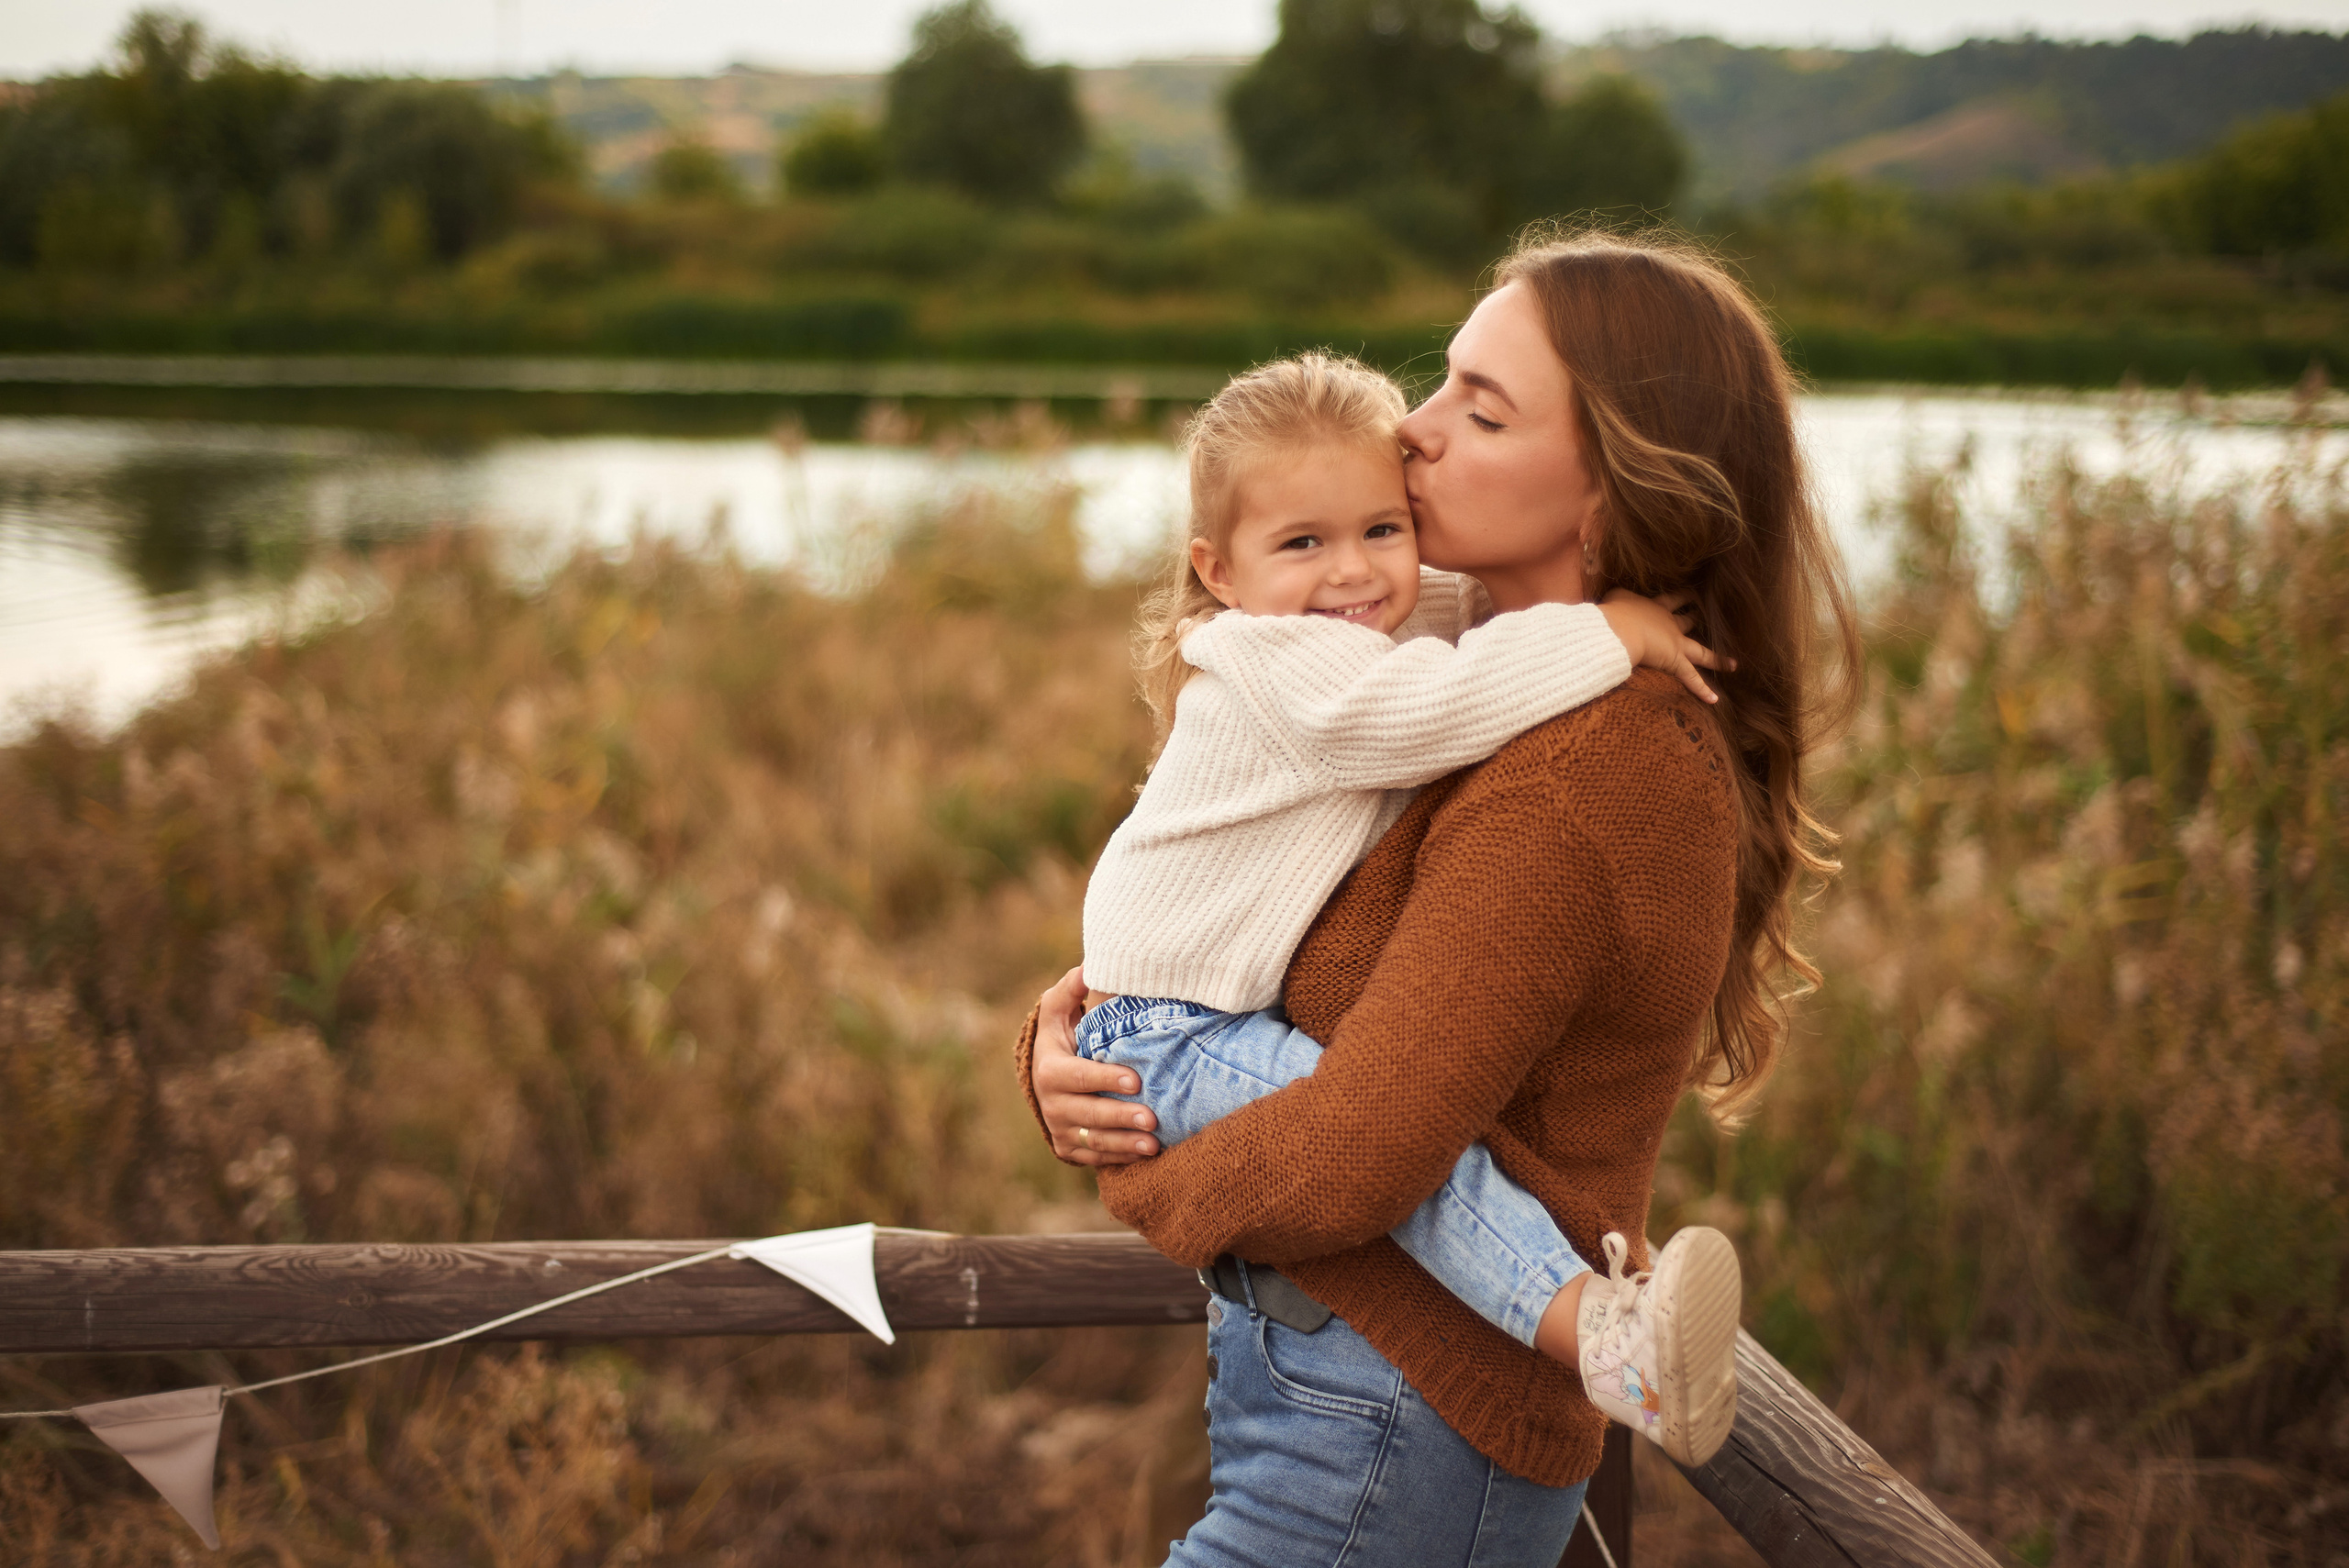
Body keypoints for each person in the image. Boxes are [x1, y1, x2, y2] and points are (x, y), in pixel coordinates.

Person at [1019, 229, 1862, 1568]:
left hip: (1398, 1429)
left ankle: (1607, 1336)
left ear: (1603, 488)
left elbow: (1360, 1149)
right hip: (1347, 1399)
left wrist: (1140, 1171)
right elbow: (1235, 906)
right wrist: (1075, 1058)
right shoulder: (1441, 664)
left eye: (1479, 407)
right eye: (1438, 386)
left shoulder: (1578, 773)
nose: (1409, 433)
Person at [1074, 347, 1743, 1464]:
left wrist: (1585, 602)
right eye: (1302, 543)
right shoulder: (1283, 654)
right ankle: (1601, 1333)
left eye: (1382, 529)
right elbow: (1415, 710)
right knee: (1436, 1171)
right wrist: (1604, 629)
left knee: (1425, 1160)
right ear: (1217, 570)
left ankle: (1606, 1335)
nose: (1354, 572)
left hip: (1195, 1032)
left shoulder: (1391, 631)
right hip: (1170, 1028)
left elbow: (1466, 612)